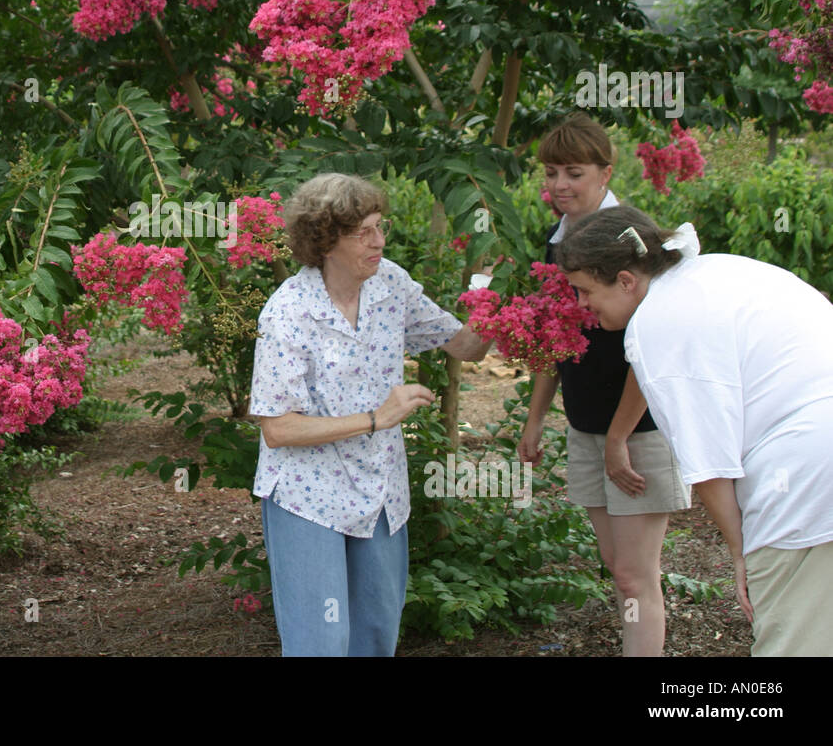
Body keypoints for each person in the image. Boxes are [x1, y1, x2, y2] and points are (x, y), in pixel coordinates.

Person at [557, 205, 833, 656]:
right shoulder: (716, 271)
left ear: (626, 280)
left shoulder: (657, 326)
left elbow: (708, 464)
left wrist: (743, 555)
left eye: (586, 290)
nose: (581, 305)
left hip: (807, 473)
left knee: (792, 640)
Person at [248, 172, 490, 656]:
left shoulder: (390, 284)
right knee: (322, 643)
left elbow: (465, 346)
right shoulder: (288, 312)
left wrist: (498, 303)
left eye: (380, 227)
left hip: (379, 490)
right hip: (307, 497)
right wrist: (377, 418)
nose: (379, 241)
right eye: (364, 232)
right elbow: (277, 427)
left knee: (377, 636)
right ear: (325, 240)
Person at [518, 114, 689, 656]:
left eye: (574, 172)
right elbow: (553, 336)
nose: (560, 185)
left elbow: (652, 351)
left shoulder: (629, 241)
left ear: (604, 172)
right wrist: (537, 417)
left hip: (638, 432)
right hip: (588, 425)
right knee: (619, 570)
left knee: (637, 576)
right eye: (551, 173)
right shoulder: (558, 241)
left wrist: (619, 438)